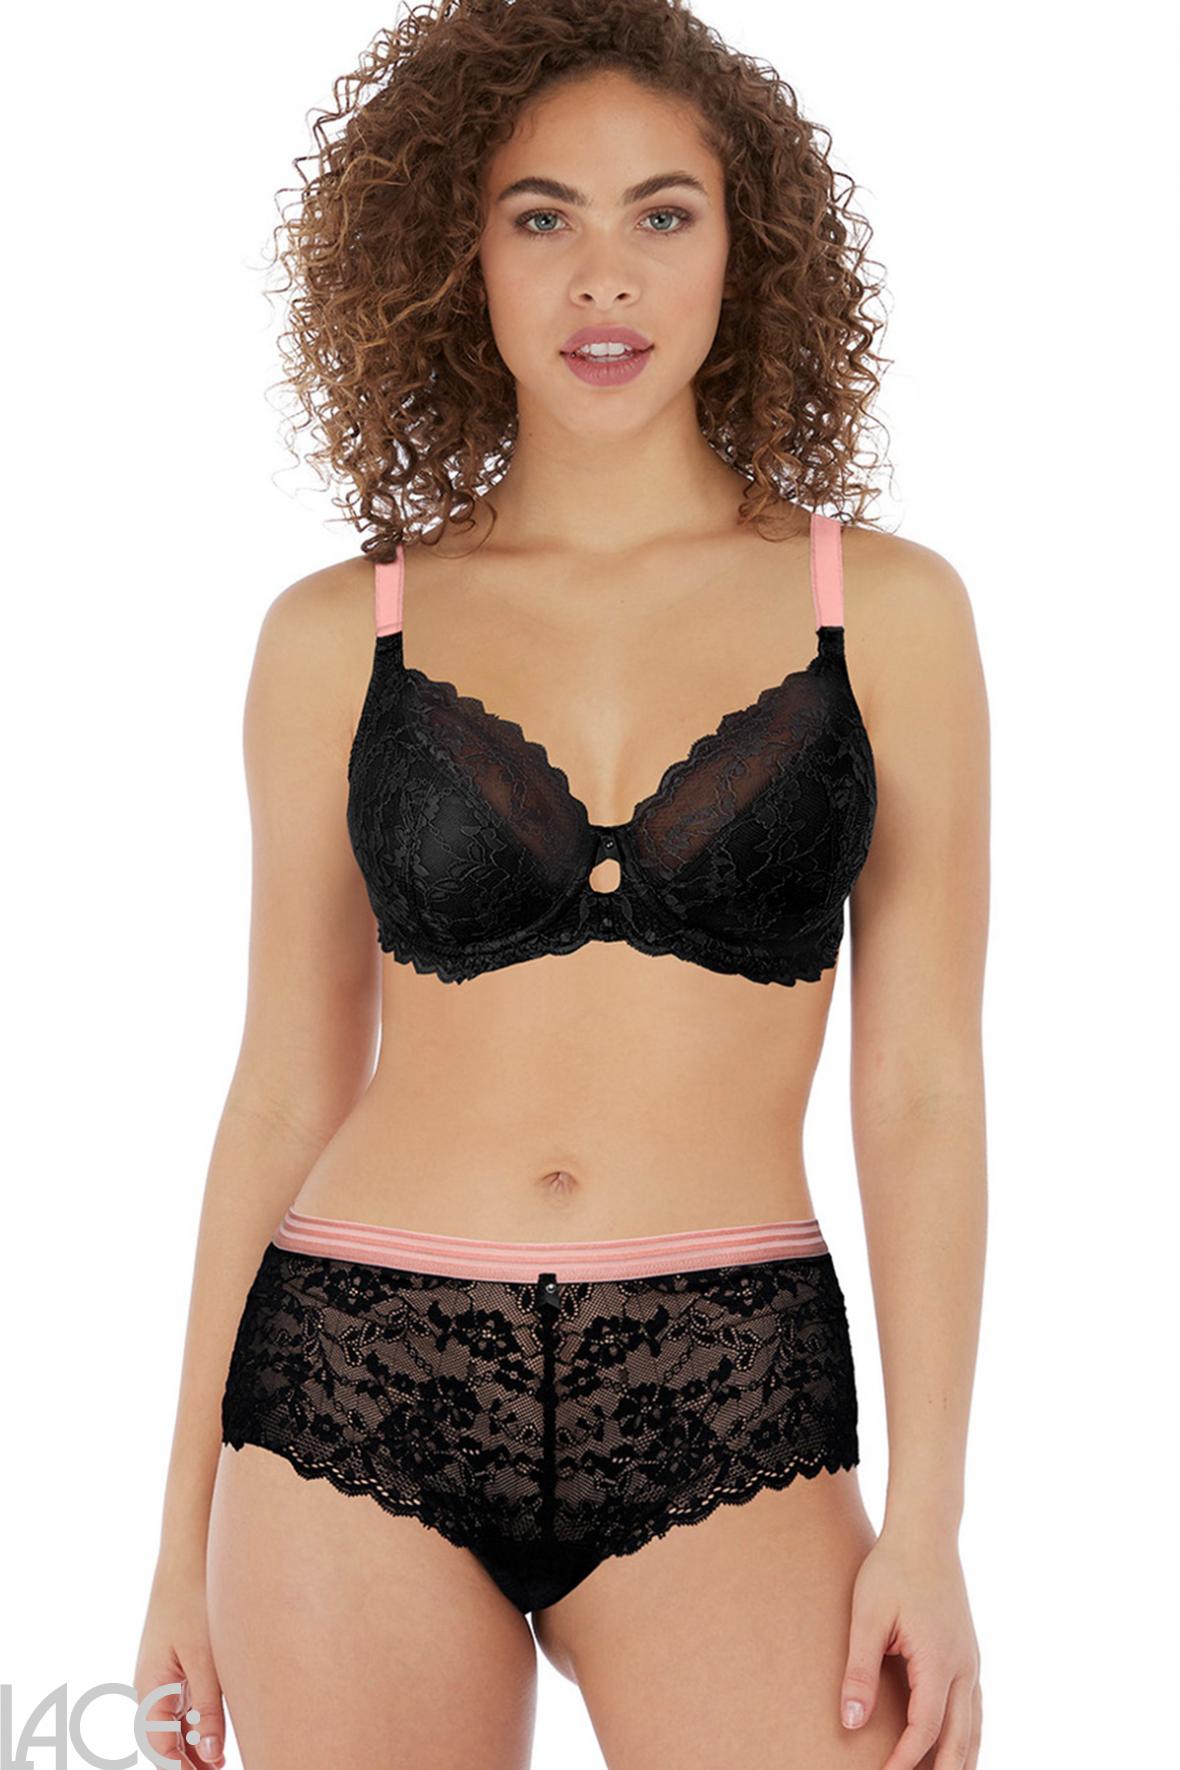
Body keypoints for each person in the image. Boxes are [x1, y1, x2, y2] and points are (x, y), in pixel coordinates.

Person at [134, 3, 988, 1765]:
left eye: (663, 213)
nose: (606, 275)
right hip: (350, 1386)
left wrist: (930, 1519)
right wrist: (172, 1540)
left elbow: (918, 1089)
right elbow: (283, 1081)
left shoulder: (886, 613)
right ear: (458, 251)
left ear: (746, 249)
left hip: (730, 1383)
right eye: (544, 217)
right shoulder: (337, 635)